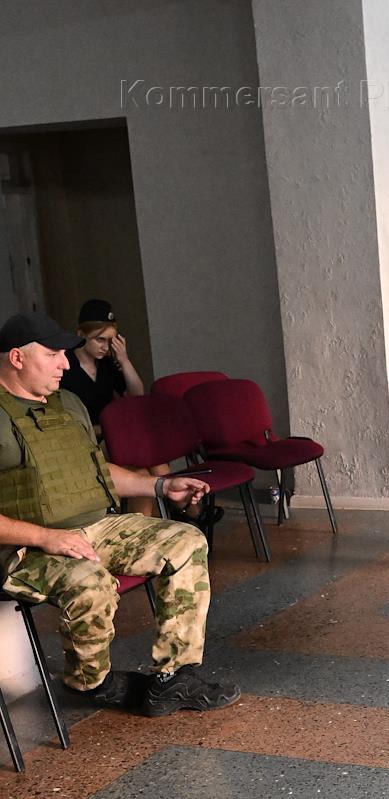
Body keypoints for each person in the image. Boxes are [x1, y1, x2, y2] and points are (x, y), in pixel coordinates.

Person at [0, 310, 240, 716]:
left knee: (185, 540)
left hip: (97, 526)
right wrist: (46, 537)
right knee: (89, 581)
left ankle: (174, 677)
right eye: (53, 355)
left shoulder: (68, 404)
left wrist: (160, 486)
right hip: (27, 549)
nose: (65, 364)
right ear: (17, 358)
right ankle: (92, 682)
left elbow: (97, 469)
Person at [59, 299, 145, 435]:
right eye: (100, 339)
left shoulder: (107, 363)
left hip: (109, 436)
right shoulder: (63, 364)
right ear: (81, 335)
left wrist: (124, 360)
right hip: (78, 438)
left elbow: (137, 396)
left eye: (110, 341)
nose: (105, 347)